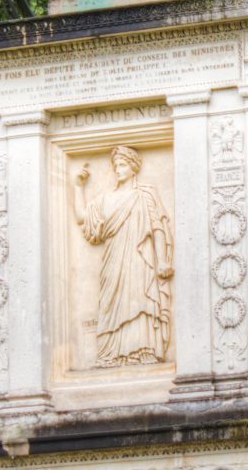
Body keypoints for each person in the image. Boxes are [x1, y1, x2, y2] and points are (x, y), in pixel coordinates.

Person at [73, 145, 174, 367]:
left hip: (140, 258)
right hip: (113, 258)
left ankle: (144, 349)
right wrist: (78, 186)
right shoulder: (106, 199)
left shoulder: (144, 194)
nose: (118, 169)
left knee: (140, 298)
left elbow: (157, 226)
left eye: (122, 165)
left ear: (133, 168)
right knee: (111, 302)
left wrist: (163, 259)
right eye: (116, 166)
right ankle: (111, 354)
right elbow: (82, 217)